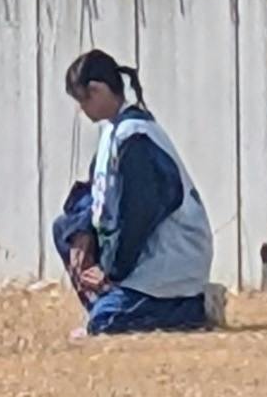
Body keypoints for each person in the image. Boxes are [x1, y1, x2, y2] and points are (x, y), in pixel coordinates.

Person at [53, 51, 216, 335]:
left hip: (165, 268)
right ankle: (111, 303)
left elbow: (139, 214)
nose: (81, 109)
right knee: (64, 228)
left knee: (106, 323)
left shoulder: (135, 138)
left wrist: (112, 271)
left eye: (82, 99)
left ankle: (190, 308)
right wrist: (81, 233)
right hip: (138, 264)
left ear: (97, 90)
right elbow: (94, 192)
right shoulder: (112, 133)